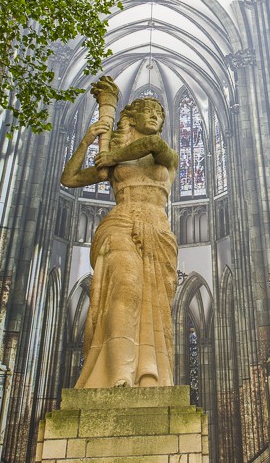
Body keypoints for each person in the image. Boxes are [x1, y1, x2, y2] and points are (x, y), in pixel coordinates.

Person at [61, 85, 179, 389]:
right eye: (148, 110)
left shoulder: (167, 156)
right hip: (121, 221)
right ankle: (118, 376)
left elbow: (151, 144)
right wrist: (88, 141)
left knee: (157, 307)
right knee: (125, 287)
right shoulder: (114, 162)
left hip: (157, 228)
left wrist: (111, 156)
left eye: (159, 113)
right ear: (133, 115)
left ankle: (150, 376)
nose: (154, 115)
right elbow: (70, 178)